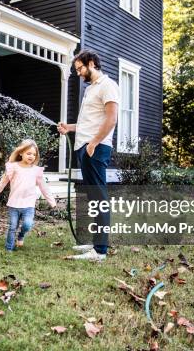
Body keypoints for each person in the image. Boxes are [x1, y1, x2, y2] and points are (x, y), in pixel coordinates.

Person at [57, 50, 119, 261]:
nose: (78, 73)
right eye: (76, 70)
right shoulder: (91, 89)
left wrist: (93, 143)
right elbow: (88, 122)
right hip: (85, 146)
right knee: (94, 197)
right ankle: (95, 245)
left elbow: (111, 120)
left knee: (99, 197)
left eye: (80, 69)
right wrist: (70, 128)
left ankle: (100, 251)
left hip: (96, 147)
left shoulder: (107, 85)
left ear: (91, 63)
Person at [0, 139, 57, 252]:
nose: (31, 156)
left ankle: (21, 236)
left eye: (34, 154)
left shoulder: (36, 171)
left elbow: (43, 187)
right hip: (14, 204)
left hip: (28, 205)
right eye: (28, 153)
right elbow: (3, 182)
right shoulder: (13, 167)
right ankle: (9, 248)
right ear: (21, 153)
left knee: (27, 225)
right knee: (12, 227)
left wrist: (52, 202)